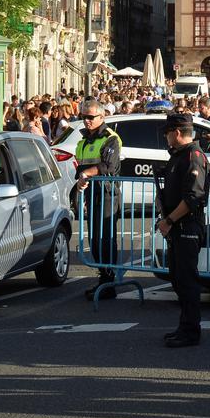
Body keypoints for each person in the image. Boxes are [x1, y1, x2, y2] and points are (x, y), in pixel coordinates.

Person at [155, 113, 210, 348]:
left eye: (168, 133)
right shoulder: (179, 156)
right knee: (178, 278)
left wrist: (168, 220)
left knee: (187, 280)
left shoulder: (193, 157)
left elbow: (193, 197)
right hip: (178, 225)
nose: (166, 137)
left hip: (186, 224)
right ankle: (184, 326)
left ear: (177, 132)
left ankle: (191, 331)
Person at [75, 100, 123, 301]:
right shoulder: (83, 141)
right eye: (84, 117)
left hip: (107, 194)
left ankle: (109, 283)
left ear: (102, 117)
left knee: (105, 239)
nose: (87, 121)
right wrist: (81, 179)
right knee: (95, 240)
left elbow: (108, 166)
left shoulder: (110, 138)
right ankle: (103, 278)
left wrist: (86, 173)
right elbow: (79, 168)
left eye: (91, 117)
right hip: (91, 193)